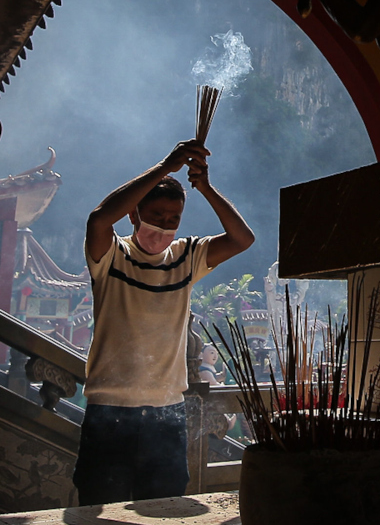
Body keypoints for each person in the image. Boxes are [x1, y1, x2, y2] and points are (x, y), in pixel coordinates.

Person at [73, 138, 254, 506]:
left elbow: (242, 239)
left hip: (167, 412)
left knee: (164, 508)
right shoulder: (112, 255)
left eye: (173, 220)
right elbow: (98, 218)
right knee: (100, 511)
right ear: (133, 215)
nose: (165, 226)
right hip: (110, 409)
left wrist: (204, 188)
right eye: (156, 217)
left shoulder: (186, 257)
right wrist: (165, 167)